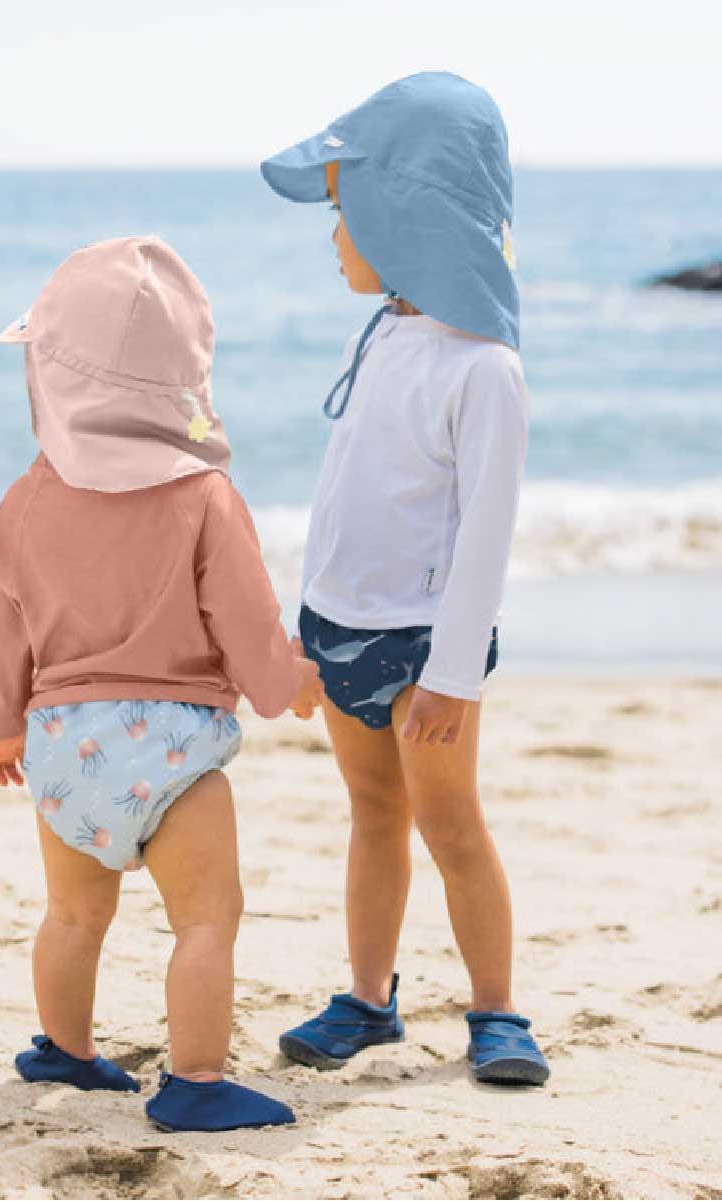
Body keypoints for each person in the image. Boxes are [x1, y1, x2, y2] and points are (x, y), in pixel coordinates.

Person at [0, 235, 320, 1130]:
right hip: (171, 747)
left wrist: (4, 724)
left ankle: (65, 1050)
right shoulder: (203, 495)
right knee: (204, 919)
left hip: (61, 742)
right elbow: (244, 621)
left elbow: (5, 626)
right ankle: (196, 1081)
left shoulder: (23, 501)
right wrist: (286, 684)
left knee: (70, 914)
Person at [260, 71, 550, 1085]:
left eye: (345, 215)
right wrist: (301, 631)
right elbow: (343, 493)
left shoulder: (484, 368)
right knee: (372, 811)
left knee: (450, 822)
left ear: (404, 215)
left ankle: (496, 1009)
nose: (335, 237)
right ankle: (367, 997)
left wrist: (452, 675)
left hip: (425, 642)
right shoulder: (385, 331)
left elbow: (486, 538)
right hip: (337, 625)